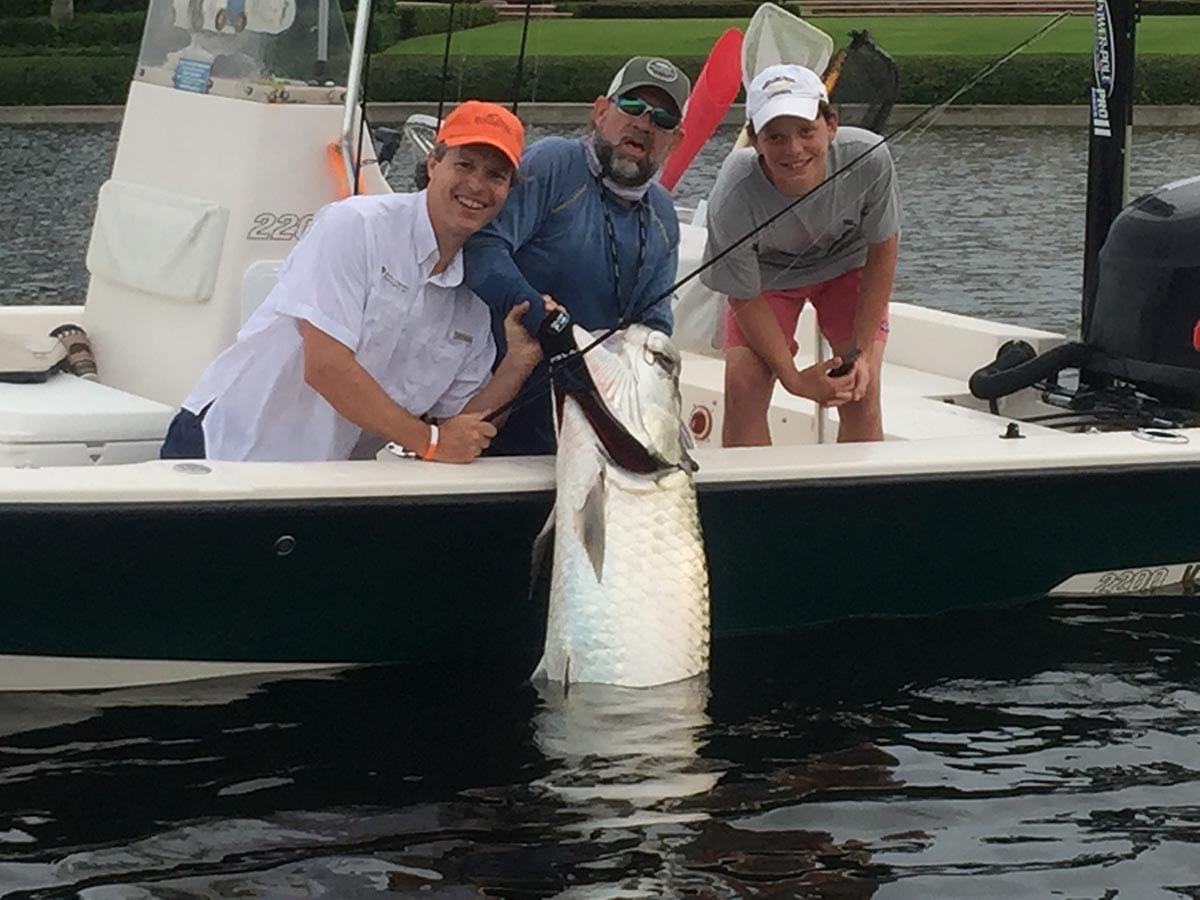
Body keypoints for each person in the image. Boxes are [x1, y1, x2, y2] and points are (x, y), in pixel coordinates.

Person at [160, 100, 541, 463]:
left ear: (508, 191)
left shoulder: (473, 300)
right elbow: (325, 365)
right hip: (224, 447)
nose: (477, 185)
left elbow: (462, 427)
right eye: (465, 165)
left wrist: (517, 362)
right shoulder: (355, 226)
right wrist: (429, 442)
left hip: (328, 482)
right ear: (432, 164)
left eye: (496, 175)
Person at [463, 56, 691, 455]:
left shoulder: (664, 215)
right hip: (497, 401)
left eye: (663, 119)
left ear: (676, 140)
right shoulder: (554, 163)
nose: (643, 123)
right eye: (632, 107)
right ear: (601, 111)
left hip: (594, 418)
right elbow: (482, 249)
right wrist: (545, 318)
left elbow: (654, 325)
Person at [700, 63, 901, 445]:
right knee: (743, 384)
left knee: (860, 387)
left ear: (831, 125)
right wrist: (793, 379)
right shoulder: (732, 193)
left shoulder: (871, 157)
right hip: (765, 276)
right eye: (775, 137)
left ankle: (862, 500)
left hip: (849, 263)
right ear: (755, 141)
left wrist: (859, 351)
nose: (793, 150)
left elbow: (883, 251)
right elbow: (742, 292)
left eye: (806, 131)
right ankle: (753, 501)